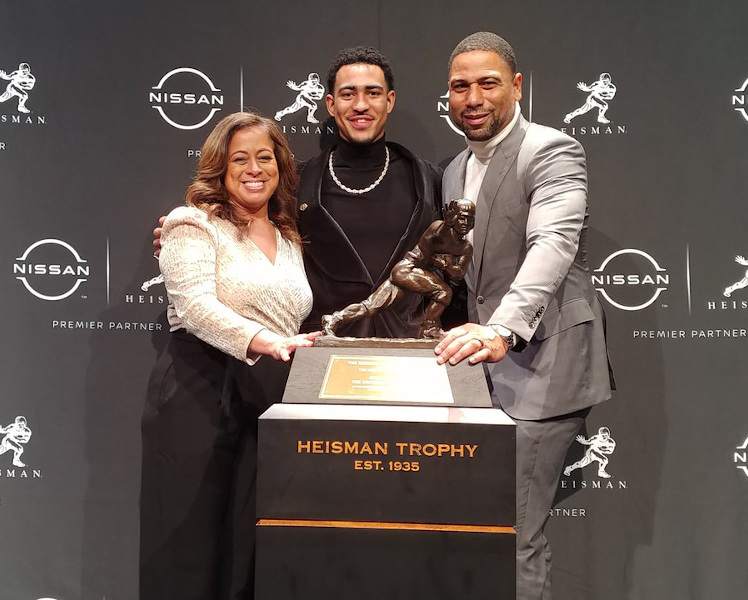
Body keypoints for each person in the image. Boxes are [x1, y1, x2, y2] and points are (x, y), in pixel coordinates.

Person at [433, 32, 614, 600]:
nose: (473, 98)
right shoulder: (453, 170)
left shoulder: (552, 149)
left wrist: (502, 329)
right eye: (460, 86)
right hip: (479, 375)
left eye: (487, 83)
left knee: (515, 535)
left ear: (515, 86)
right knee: (483, 530)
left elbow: (552, 246)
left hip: (543, 367)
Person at [140, 112, 316, 600]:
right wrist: (264, 341)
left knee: (250, 539)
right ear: (219, 166)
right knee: (189, 538)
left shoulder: (288, 235)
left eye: (265, 157)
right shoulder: (191, 223)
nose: (254, 168)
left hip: (269, 398)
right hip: (199, 388)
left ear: (280, 166)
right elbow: (194, 306)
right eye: (240, 158)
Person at [154, 46, 445, 337]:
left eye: (372, 93)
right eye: (348, 94)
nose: (360, 105)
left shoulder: (428, 180)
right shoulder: (295, 184)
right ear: (330, 104)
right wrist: (188, 233)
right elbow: (237, 225)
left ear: (389, 100)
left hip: (408, 349)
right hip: (321, 349)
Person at [321, 198, 475, 339]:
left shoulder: (466, 248)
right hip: (406, 270)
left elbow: (459, 273)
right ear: (452, 217)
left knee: (371, 306)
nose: (465, 223)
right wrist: (446, 226)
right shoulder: (438, 228)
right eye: (462, 217)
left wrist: (447, 266)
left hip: (414, 275)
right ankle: (429, 328)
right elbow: (431, 242)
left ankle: (334, 319)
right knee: (444, 292)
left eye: (470, 219)